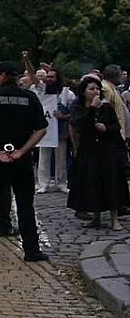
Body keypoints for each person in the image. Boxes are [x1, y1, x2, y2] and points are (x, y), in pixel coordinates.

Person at [0, 61, 49, 262]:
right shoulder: (30, 97)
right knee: (26, 205)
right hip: (21, 159)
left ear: (3, 75)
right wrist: (23, 150)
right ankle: (32, 250)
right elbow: (41, 129)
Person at [67, 76, 128, 230]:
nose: (95, 92)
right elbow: (79, 125)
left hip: (107, 149)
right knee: (92, 182)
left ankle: (114, 219)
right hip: (89, 149)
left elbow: (116, 126)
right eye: (91, 89)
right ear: (84, 92)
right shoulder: (79, 107)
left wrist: (106, 128)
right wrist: (92, 109)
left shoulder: (107, 107)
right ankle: (96, 216)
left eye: (97, 89)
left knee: (111, 182)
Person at [37, 67, 75, 194]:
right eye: (47, 76)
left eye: (52, 77)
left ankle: (62, 183)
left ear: (58, 78)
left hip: (60, 130)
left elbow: (75, 112)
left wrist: (63, 116)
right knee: (44, 158)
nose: (49, 79)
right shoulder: (42, 91)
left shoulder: (67, 94)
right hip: (45, 130)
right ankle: (43, 184)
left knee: (61, 159)